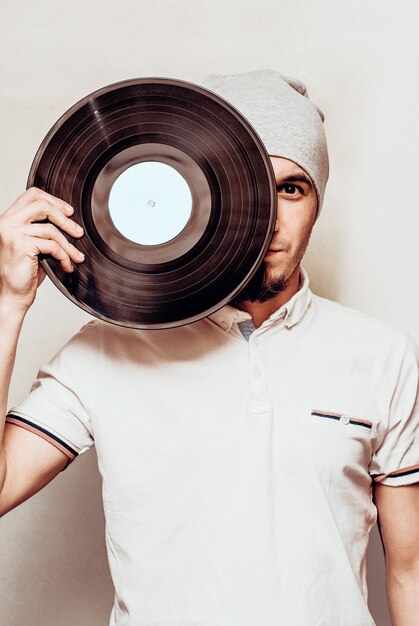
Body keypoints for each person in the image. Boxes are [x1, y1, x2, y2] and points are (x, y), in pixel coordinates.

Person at [0, 69, 418, 626]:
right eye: (246, 186)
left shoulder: (381, 355)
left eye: (291, 188)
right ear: (204, 199)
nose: (267, 215)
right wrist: (8, 302)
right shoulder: (103, 352)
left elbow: (409, 572)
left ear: (318, 203)